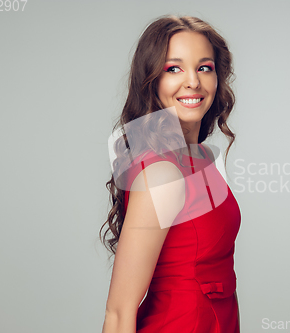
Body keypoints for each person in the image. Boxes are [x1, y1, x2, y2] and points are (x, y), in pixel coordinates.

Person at [100, 15, 241, 333]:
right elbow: (119, 312)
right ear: (151, 81)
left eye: (204, 67)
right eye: (173, 68)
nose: (193, 81)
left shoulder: (200, 158)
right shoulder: (162, 173)